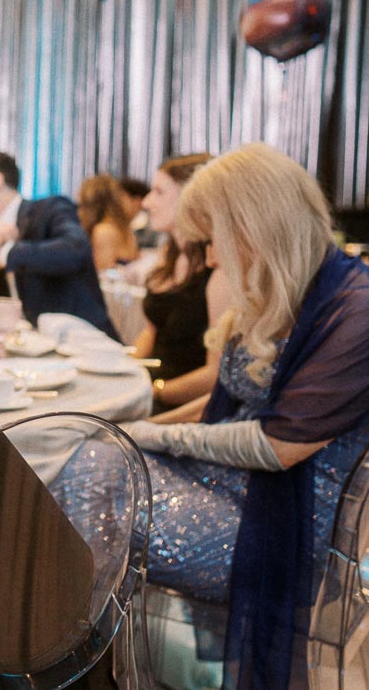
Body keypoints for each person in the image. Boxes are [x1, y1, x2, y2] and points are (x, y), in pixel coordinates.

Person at [57, 143, 369, 689]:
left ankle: (71, 654)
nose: (210, 259)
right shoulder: (286, 288)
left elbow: (278, 446)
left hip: (284, 517)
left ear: (253, 226)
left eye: (213, 240)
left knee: (92, 476)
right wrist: (152, 432)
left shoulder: (355, 308)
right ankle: (84, 654)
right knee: (91, 458)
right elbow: (228, 397)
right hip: (243, 483)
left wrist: (158, 435)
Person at [0, 151, 116, 336]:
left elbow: (76, 249)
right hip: (23, 354)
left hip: (87, 346)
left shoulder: (50, 210)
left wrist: (5, 255)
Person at [133, 153, 225, 413]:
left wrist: (153, 392)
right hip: (154, 391)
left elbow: (215, 376)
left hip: (186, 409)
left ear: (192, 198)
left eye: (159, 192)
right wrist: (126, 371)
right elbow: (152, 331)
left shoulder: (218, 268)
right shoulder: (170, 254)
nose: (147, 202)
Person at [75, 173, 138, 271]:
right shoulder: (123, 227)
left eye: (81, 205)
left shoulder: (103, 231)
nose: (78, 212)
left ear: (90, 205)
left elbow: (101, 273)